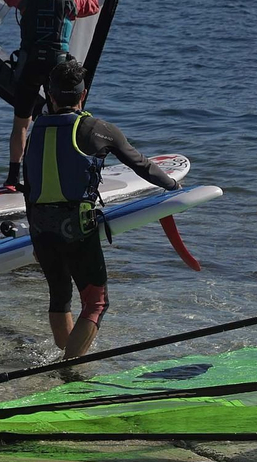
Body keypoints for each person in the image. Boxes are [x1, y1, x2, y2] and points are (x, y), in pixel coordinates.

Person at [25, 61, 180, 359]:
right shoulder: (99, 129)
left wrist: (34, 234)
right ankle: (69, 368)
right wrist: (173, 186)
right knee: (96, 303)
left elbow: (29, 187)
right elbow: (142, 165)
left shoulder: (35, 131)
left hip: (40, 228)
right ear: (83, 95)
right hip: (76, 227)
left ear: (51, 96)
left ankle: (65, 356)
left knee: (59, 294)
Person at [1, 0, 100, 192]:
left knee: (21, 124)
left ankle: (13, 179)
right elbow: (92, 5)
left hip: (30, 66)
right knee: (67, 121)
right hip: (58, 68)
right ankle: (68, 172)